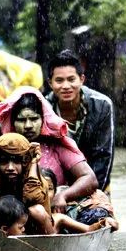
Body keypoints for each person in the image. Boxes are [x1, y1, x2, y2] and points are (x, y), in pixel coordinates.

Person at [0, 86, 98, 214]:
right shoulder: (3, 151)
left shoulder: (57, 146)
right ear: (12, 123)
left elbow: (90, 178)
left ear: (43, 119)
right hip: (13, 215)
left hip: (53, 212)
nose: (28, 126)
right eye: (21, 120)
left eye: (34, 119)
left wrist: (63, 196)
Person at [46, 50, 115, 193]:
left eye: (71, 79)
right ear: (50, 83)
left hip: (94, 181)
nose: (66, 86)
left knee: (100, 213)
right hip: (56, 184)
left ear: (81, 79)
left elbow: (104, 156)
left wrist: (93, 192)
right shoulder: (44, 108)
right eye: (59, 80)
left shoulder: (102, 105)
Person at [0, 133, 54, 235]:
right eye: (4, 161)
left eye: (17, 161)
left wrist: (33, 162)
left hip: (31, 233)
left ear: (25, 162)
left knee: (36, 210)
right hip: (2, 232)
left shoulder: (36, 181)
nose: (10, 168)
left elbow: (32, 197)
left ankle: (50, 246)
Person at [40, 168, 118, 234]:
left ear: (55, 192)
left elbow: (88, 229)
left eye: (49, 189)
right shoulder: (28, 213)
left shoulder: (58, 218)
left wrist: (103, 222)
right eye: (39, 188)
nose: (44, 193)